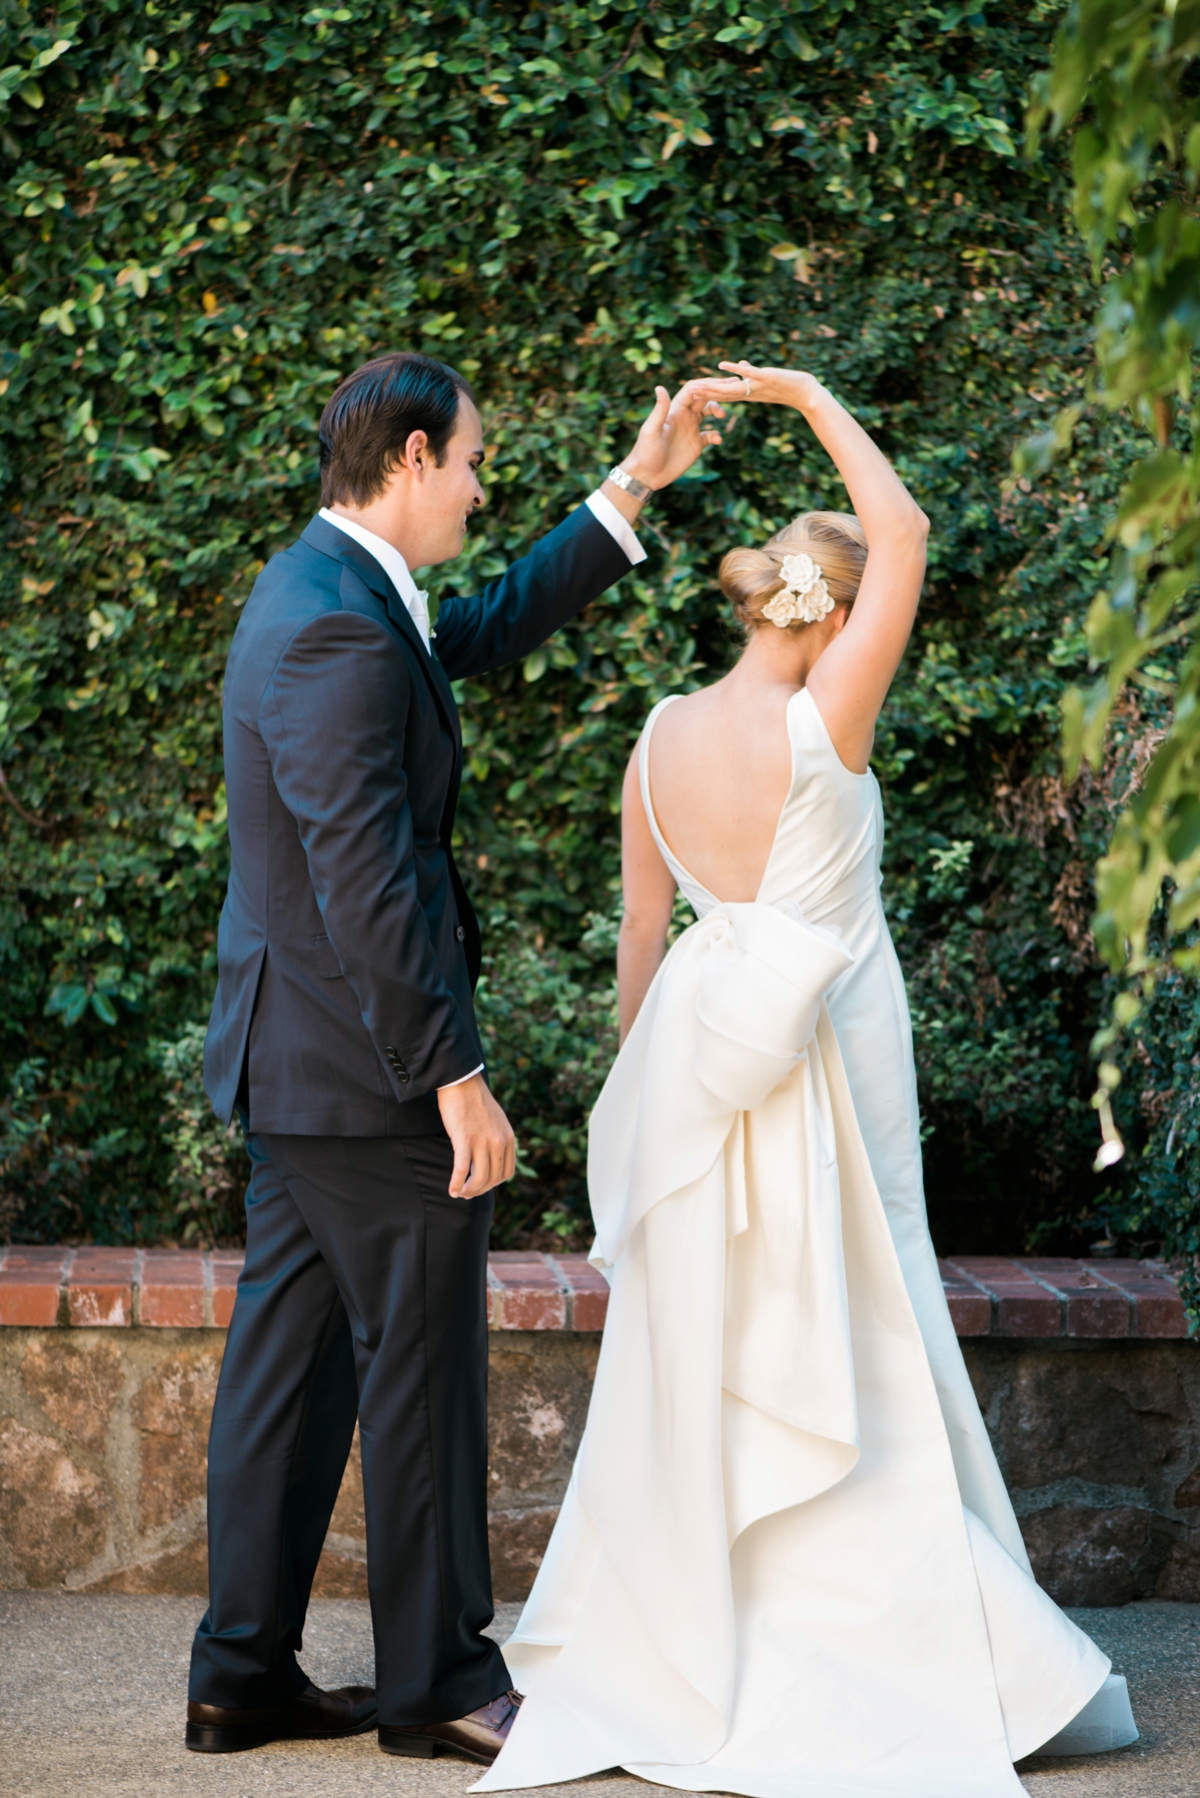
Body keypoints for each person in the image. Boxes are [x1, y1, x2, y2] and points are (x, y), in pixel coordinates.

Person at [475, 361, 1139, 1796]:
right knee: (864, 1308)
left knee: (713, 1334)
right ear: (833, 613)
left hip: (702, 1062)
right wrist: (809, 395)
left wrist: (652, 1101)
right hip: (837, 1043)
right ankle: (890, 1645)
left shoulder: (658, 737)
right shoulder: (826, 718)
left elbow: (643, 942)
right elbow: (899, 529)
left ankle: (691, 1634)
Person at [186, 351, 724, 1761]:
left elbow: (478, 628)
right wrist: (453, 1073)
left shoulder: (335, 590)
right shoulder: (338, 626)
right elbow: (364, 876)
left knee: (289, 1371)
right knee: (420, 1369)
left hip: (302, 1064)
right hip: (368, 1073)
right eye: (476, 462)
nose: (485, 489)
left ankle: (239, 1672)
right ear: (414, 459)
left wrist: (632, 488)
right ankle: (435, 1682)